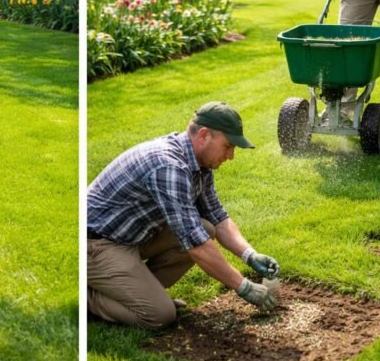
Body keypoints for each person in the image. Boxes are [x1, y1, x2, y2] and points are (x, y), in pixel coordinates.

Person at [87, 101, 280, 329]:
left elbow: (217, 217)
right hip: (96, 244)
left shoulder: (200, 163)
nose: (231, 156)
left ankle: (138, 294)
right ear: (204, 135)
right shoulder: (168, 166)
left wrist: (249, 254)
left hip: (129, 236)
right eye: (228, 146)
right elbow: (195, 244)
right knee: (159, 315)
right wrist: (243, 286)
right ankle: (89, 295)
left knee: (206, 228)